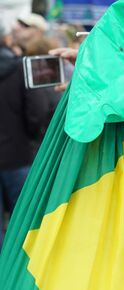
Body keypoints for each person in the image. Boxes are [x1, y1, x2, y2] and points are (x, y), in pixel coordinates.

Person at [0, 25, 52, 249]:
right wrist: (33, 138)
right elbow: (37, 110)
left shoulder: (20, 67)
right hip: (19, 155)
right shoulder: (21, 68)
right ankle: (21, 277)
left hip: (17, 154)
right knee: (26, 223)